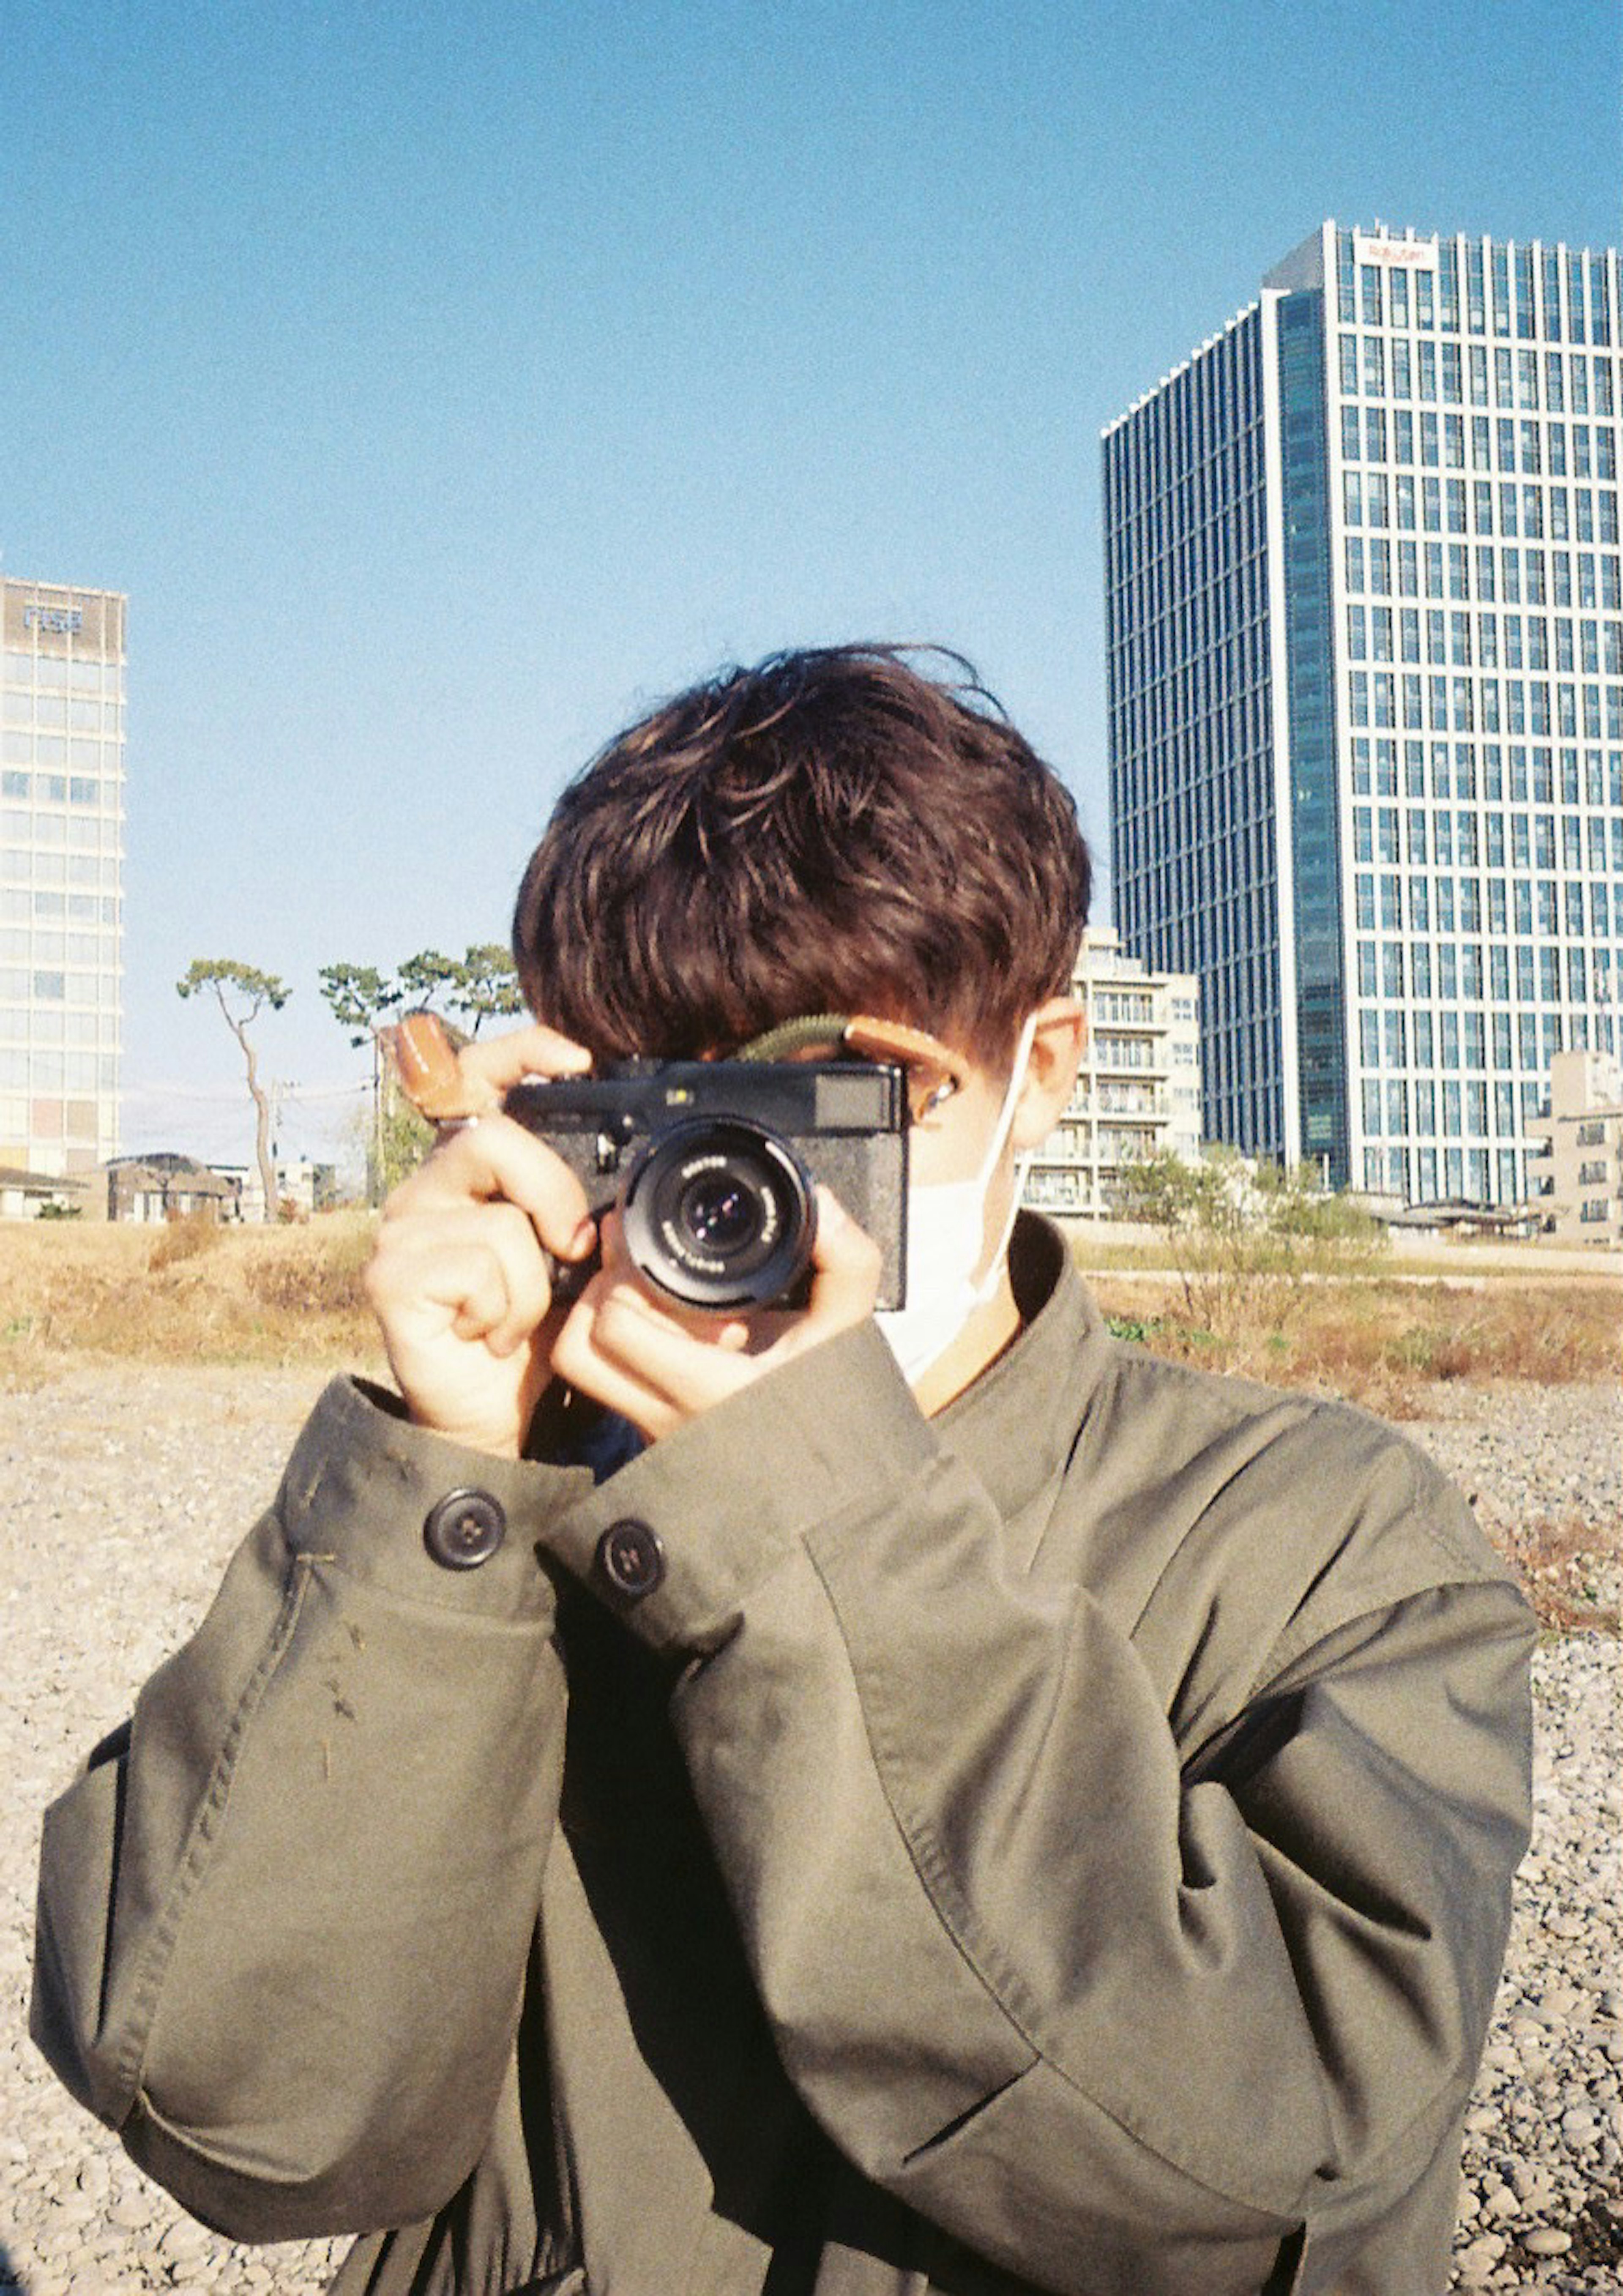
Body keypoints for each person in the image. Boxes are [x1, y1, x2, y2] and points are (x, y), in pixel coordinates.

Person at [33, 646, 1533, 2296]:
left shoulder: (1323, 1536)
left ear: (1044, 1065)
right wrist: (441, 1471)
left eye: (855, 1096)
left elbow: (1274, 2170)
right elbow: (241, 2116)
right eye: (674, 1107)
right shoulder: (501, 1510)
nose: (755, 1178)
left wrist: (813, 1505)